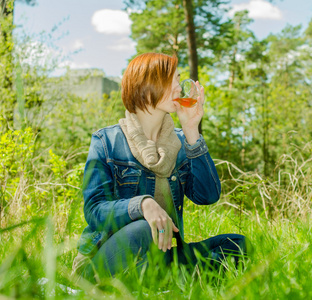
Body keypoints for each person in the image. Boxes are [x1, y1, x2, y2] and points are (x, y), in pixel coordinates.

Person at [72, 53, 249, 280]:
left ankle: (163, 280)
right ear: (147, 85)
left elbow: (208, 196)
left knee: (236, 244)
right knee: (143, 229)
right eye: (173, 79)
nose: (179, 87)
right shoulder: (106, 141)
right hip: (108, 256)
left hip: (158, 257)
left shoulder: (179, 142)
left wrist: (192, 130)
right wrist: (142, 205)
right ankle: (169, 279)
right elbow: (94, 211)